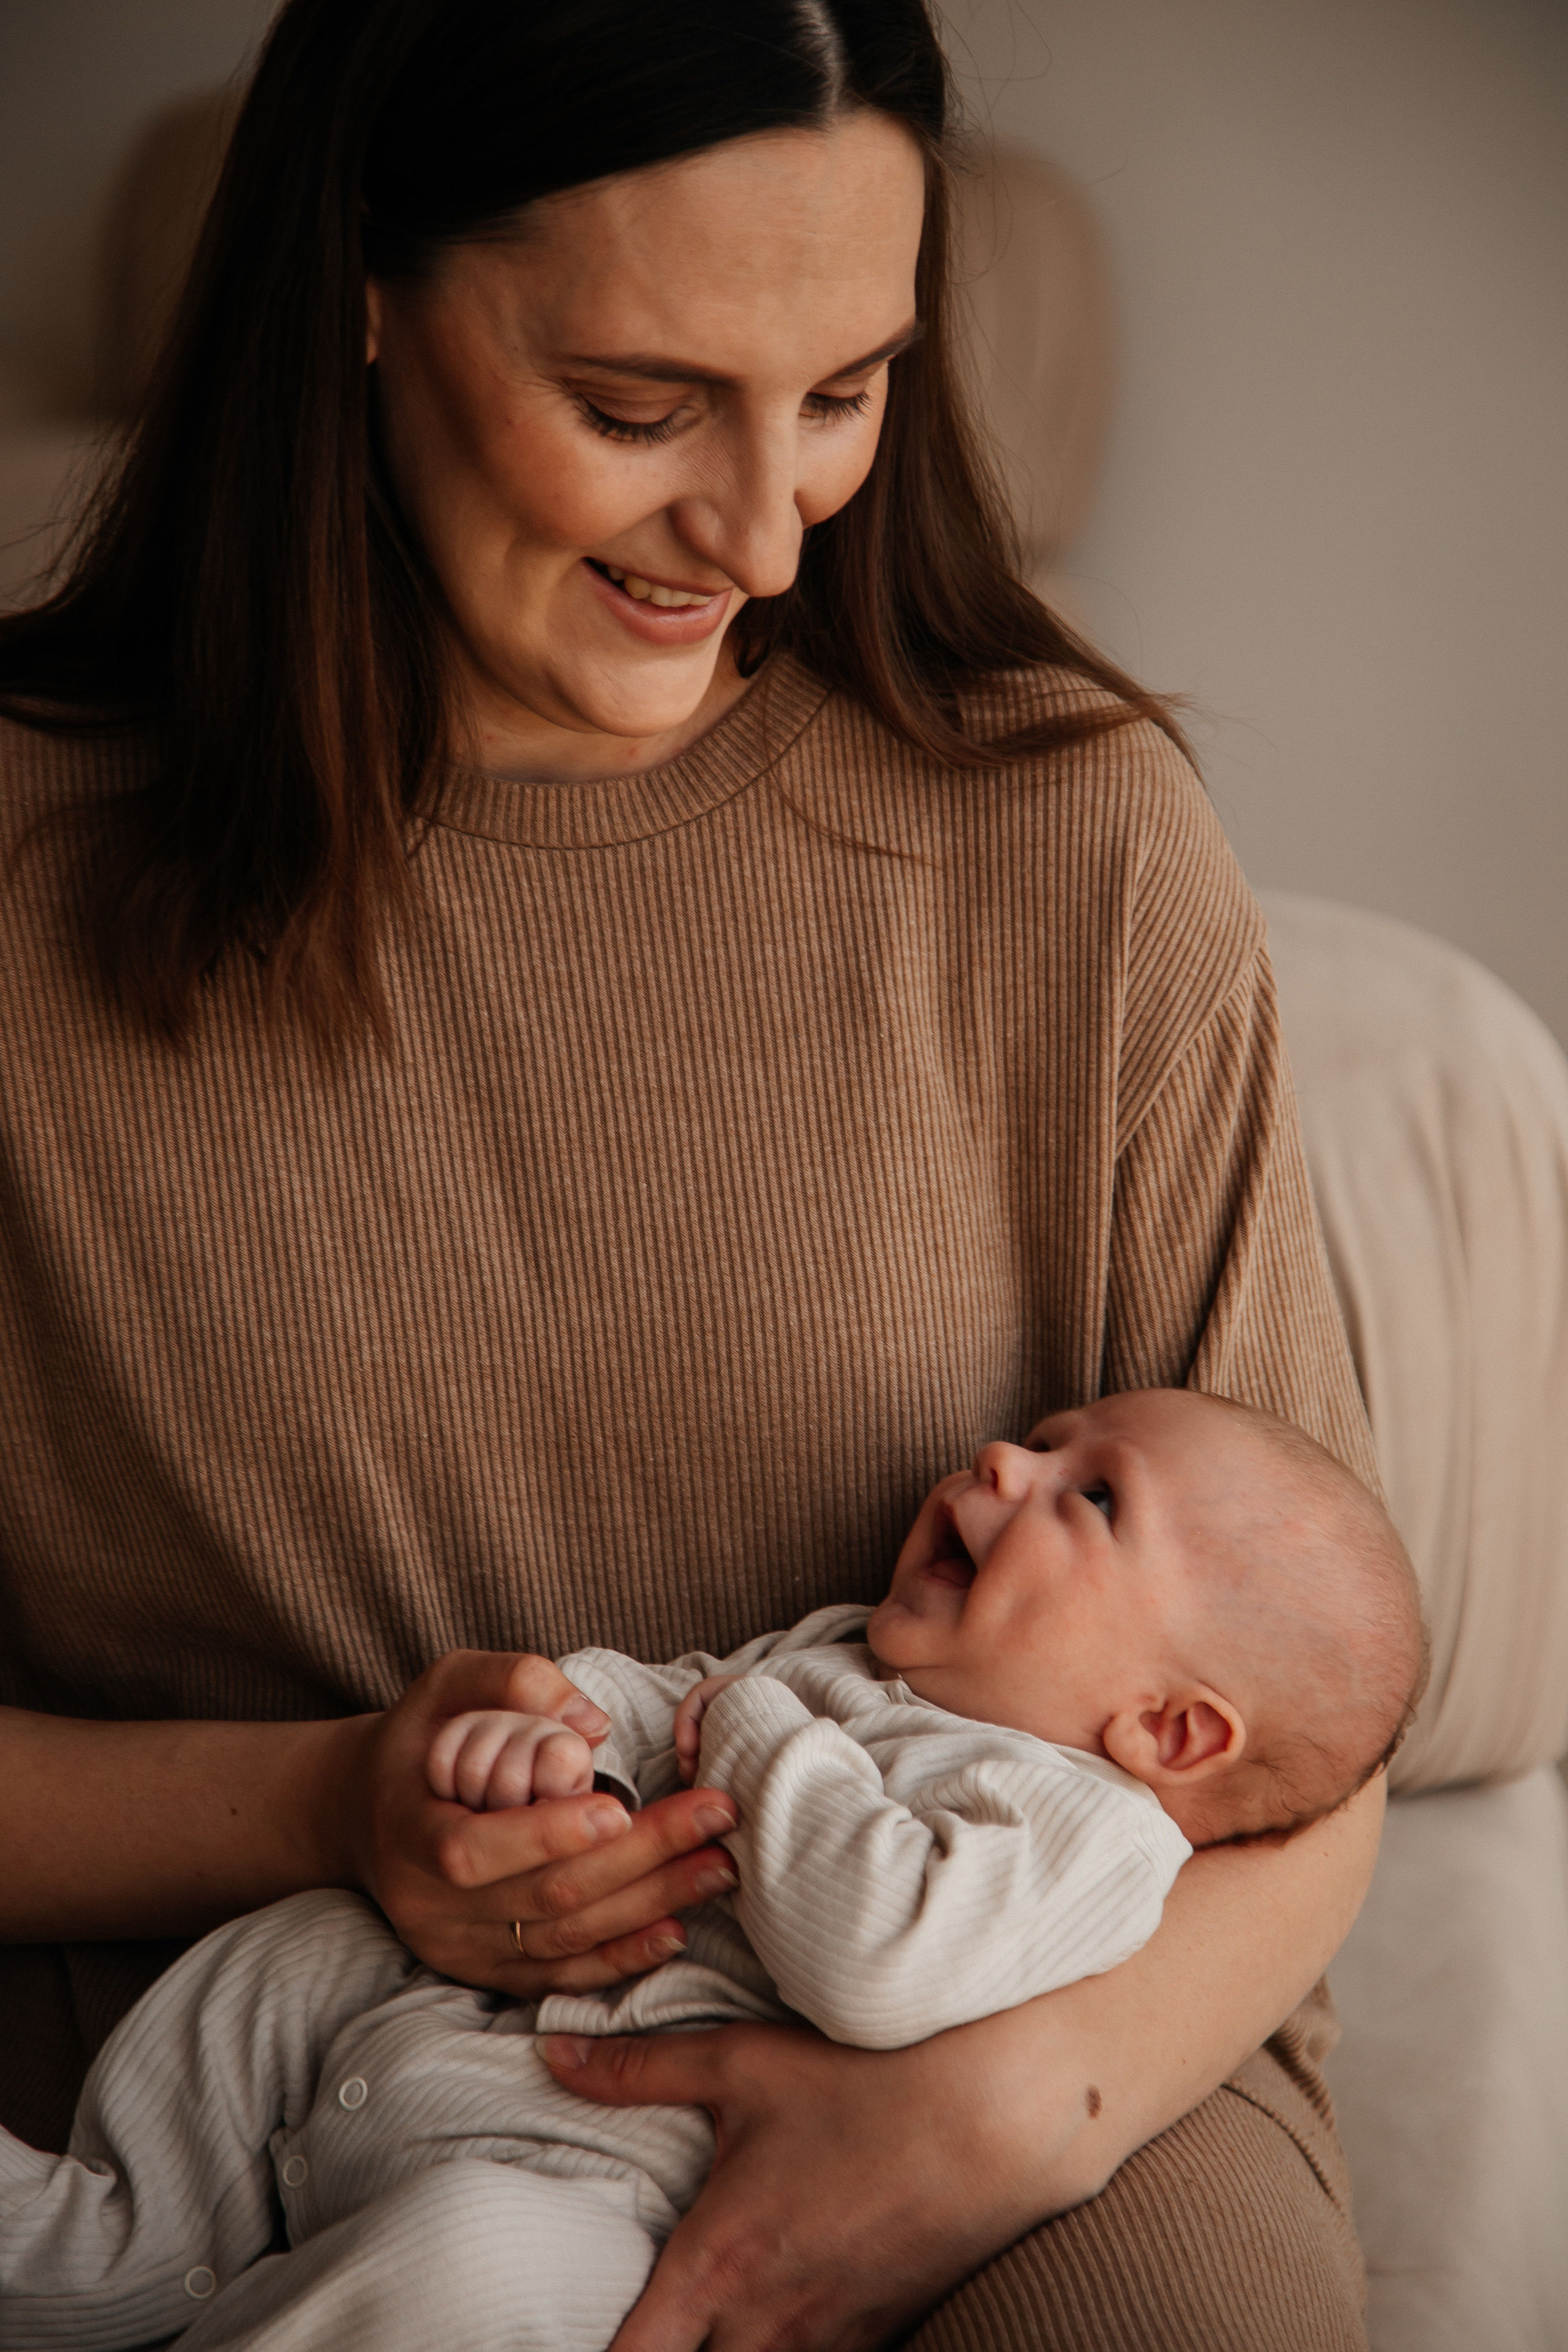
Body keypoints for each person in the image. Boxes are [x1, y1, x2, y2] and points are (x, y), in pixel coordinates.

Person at [0, 1, 1389, 2345]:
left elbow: (1305, 1745)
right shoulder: (25, 867)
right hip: (233, 2073)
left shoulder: (1074, 843)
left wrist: (1003, 2117)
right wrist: (336, 1807)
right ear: (361, 288)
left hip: (1029, 2059)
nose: (761, 534)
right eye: (639, 407)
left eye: (846, 393)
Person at [0, 1394, 1425, 2351]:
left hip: (584, 2183)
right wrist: (551, 1749)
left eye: (1090, 1495)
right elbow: (657, 1704)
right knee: (307, 1940)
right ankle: (112, 2238)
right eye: (1041, 1442)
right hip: (444, 2015)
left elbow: (877, 1953)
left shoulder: (1080, 1830)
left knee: (472, 2266)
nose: (1003, 1463)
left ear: (1167, 1731)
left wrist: (755, 1727)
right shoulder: (849, 1653)